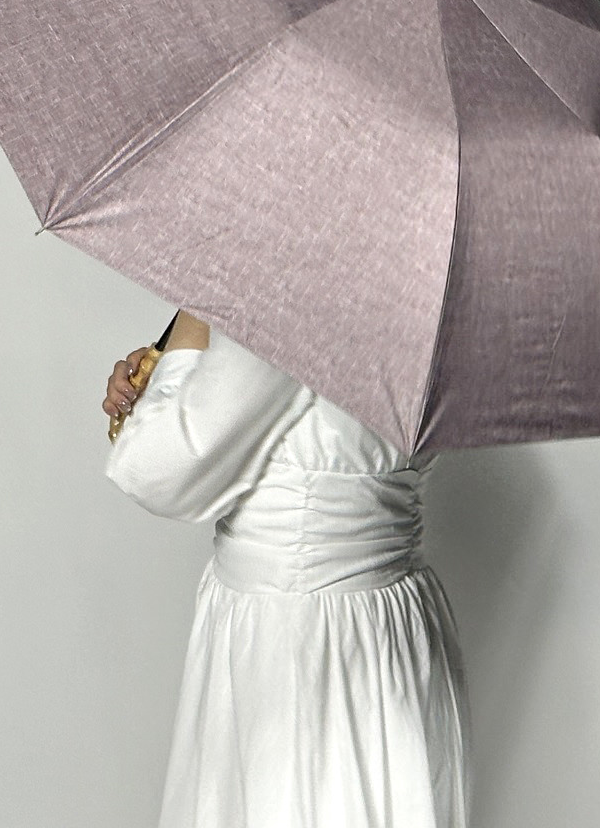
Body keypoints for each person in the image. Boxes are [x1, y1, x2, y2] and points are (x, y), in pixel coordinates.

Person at [101, 308, 472, 827]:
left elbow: (156, 469)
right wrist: (172, 375)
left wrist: (187, 337)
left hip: (297, 636)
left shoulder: (291, 303)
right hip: (393, 624)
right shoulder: (422, 297)